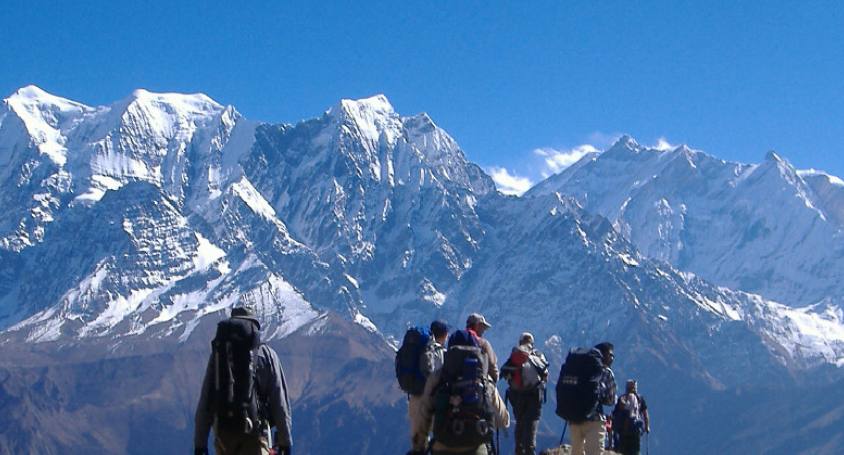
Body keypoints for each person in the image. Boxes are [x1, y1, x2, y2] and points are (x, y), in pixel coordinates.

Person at [194, 303, 292, 455]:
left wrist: (200, 445)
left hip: (223, 434)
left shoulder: (219, 356)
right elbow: (279, 402)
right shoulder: (267, 355)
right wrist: (285, 443)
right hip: (256, 434)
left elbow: (206, 400)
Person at [420, 329, 510, 454]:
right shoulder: (484, 381)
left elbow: (424, 416)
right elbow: (503, 420)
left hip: (442, 447)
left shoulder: (437, 377)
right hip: (475, 448)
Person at [501, 332, 549, 455]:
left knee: (520, 425)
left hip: (517, 397)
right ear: (532, 343)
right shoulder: (537, 355)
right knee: (531, 427)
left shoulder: (514, 356)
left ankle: (519, 450)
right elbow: (545, 373)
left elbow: (504, 373)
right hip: (534, 396)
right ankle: (529, 450)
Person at [408, 320, 450, 454]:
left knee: (418, 446)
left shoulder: (421, 349)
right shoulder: (443, 353)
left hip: (415, 398)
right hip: (434, 402)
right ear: (444, 335)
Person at [568, 342, 616, 455]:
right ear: (603, 355)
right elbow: (611, 400)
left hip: (574, 418)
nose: (613, 358)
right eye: (611, 355)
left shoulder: (577, 368)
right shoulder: (606, 372)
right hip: (595, 419)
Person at [612, 380, 650, 455]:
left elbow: (615, 414)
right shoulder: (640, 399)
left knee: (623, 451)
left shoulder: (621, 399)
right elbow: (645, 414)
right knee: (635, 451)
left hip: (623, 431)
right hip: (635, 430)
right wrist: (647, 427)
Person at [466, 313, 499, 382]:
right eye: (482, 327)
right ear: (477, 326)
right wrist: (495, 379)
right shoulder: (483, 343)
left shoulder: (457, 339)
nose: (484, 330)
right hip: (477, 384)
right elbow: (492, 366)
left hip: (455, 385)